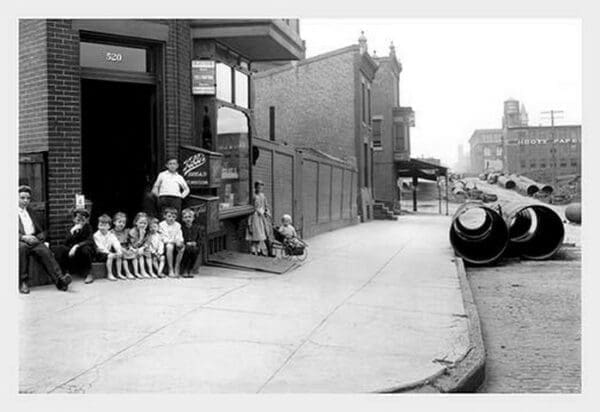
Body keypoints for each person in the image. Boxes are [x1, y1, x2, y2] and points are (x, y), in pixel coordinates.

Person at [18, 185, 71, 293]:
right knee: (22, 249)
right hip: (20, 241)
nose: (26, 201)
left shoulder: (31, 212)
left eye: (28, 198)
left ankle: (60, 281)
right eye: (22, 198)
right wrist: (23, 237)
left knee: (45, 251)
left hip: (34, 240)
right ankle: (23, 282)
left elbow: (41, 230)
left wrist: (38, 237)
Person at [52, 208, 95, 284]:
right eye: (78, 220)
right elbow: (65, 242)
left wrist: (77, 246)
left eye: (83, 220)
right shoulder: (71, 228)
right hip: (72, 251)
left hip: (83, 249)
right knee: (61, 249)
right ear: (74, 219)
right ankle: (63, 274)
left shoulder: (88, 227)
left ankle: (88, 273)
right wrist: (72, 232)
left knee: (86, 249)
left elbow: (90, 241)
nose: (80, 222)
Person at [245, 180, 274, 256]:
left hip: (262, 217)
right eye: (258, 187)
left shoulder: (262, 196)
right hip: (255, 216)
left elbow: (265, 205)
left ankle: (258, 250)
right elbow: (252, 206)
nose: (260, 189)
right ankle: (254, 250)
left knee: (262, 234)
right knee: (255, 234)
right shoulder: (253, 196)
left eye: (261, 187)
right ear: (255, 188)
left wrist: (267, 212)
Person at [93, 214, 123, 281]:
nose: (102, 226)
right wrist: (110, 253)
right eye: (100, 224)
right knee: (110, 256)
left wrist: (118, 251)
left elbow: (116, 243)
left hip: (108, 254)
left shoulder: (111, 235)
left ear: (109, 226)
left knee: (119, 255)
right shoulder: (96, 235)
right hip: (99, 255)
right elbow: (100, 248)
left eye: (104, 225)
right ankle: (109, 274)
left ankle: (119, 273)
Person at [159, 207, 185, 278]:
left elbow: (179, 235)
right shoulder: (161, 225)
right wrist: (172, 241)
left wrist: (178, 241)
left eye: (173, 217)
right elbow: (162, 238)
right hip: (164, 244)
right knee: (169, 246)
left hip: (175, 242)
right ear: (164, 216)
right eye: (169, 216)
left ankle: (176, 267)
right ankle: (170, 269)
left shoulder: (177, 225)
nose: (171, 218)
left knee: (182, 247)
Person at [110, 212, 135, 279]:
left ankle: (137, 272)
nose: (122, 224)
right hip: (116, 249)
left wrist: (130, 247)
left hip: (126, 248)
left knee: (135, 253)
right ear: (114, 222)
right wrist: (122, 249)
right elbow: (114, 244)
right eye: (119, 222)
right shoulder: (112, 232)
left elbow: (129, 242)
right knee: (123, 256)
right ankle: (127, 273)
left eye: (123, 222)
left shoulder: (126, 231)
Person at [128, 212, 151, 279]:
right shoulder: (132, 232)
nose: (143, 225)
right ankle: (137, 272)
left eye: (145, 223)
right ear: (136, 223)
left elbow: (147, 242)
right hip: (132, 248)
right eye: (141, 223)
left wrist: (143, 248)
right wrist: (141, 237)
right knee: (139, 254)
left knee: (147, 251)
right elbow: (134, 245)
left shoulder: (147, 231)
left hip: (141, 249)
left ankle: (148, 271)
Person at [180, 208, 202, 278]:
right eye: (185, 217)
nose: (188, 219)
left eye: (190, 217)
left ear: (193, 218)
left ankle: (191, 268)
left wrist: (195, 243)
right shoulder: (181, 228)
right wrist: (185, 243)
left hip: (194, 246)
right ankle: (185, 269)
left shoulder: (197, 228)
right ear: (183, 219)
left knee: (194, 250)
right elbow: (179, 237)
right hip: (185, 245)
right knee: (187, 249)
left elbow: (201, 239)